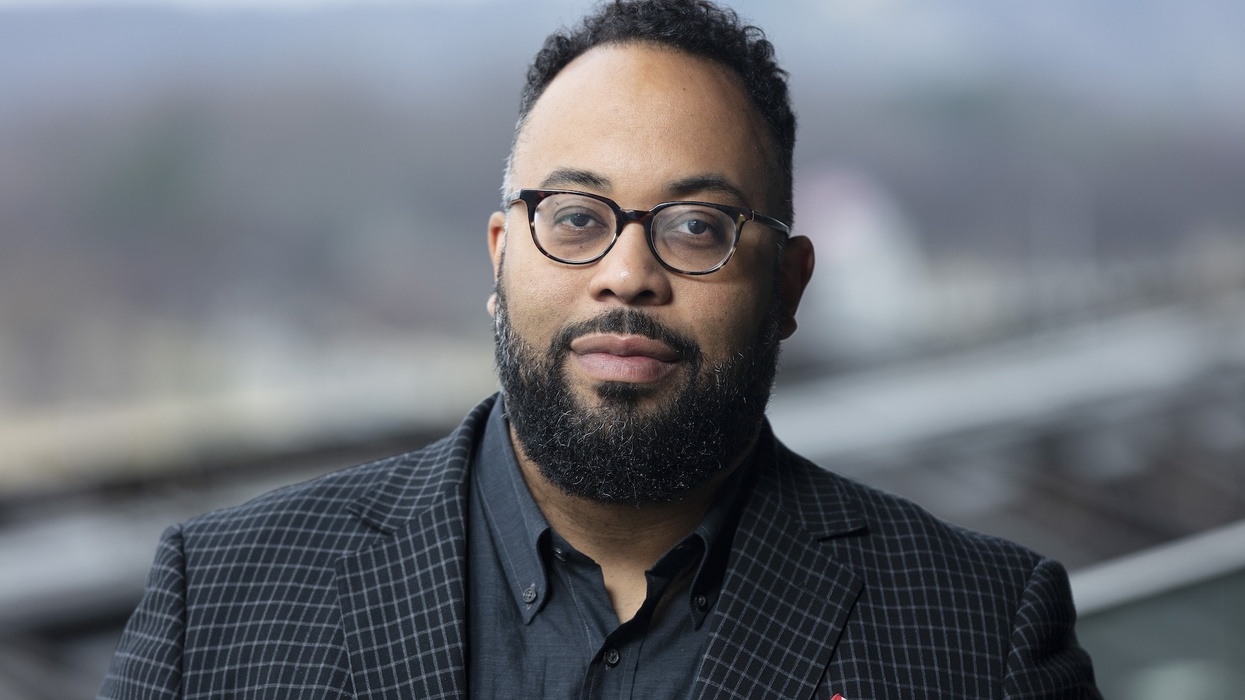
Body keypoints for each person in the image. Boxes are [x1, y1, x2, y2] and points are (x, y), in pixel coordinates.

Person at [100, 1, 1102, 698]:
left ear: (789, 286)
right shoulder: (222, 598)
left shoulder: (983, 630)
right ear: (501, 259)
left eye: (697, 225)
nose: (627, 272)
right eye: (575, 217)